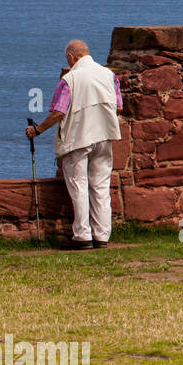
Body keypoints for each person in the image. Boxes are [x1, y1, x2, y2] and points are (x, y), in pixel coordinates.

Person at [24, 40, 123, 250]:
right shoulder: (109, 76)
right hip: (104, 137)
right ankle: (102, 235)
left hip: (78, 138)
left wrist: (38, 130)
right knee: (101, 186)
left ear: (71, 57)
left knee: (79, 185)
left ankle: (82, 236)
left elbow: (59, 112)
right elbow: (119, 107)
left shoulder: (70, 80)